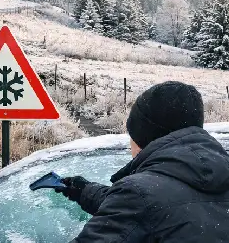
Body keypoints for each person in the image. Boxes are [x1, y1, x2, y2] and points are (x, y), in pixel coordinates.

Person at [59, 81, 229, 242]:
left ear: (144, 137)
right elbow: (164, 204)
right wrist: (85, 190)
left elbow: (142, 203)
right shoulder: (217, 174)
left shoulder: (138, 194)